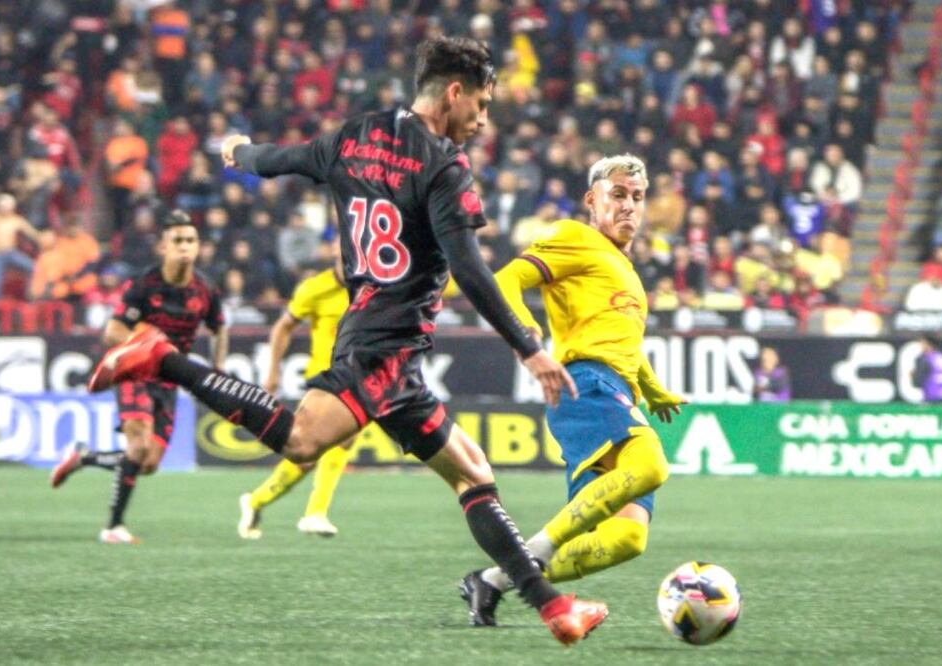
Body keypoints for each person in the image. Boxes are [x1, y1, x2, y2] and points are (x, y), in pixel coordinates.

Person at [83, 36, 606, 644]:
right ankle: (165, 359)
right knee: (303, 442)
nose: (484, 119)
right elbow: (469, 270)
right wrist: (529, 346)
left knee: (472, 472)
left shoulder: (354, 136)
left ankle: (551, 608)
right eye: (483, 104)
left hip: (389, 348)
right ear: (454, 92)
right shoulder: (444, 166)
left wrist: (238, 151)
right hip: (385, 339)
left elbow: (281, 157)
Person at [459, 154, 682, 627]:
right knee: (652, 465)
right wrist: (525, 336)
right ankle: (534, 557)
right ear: (591, 199)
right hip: (587, 384)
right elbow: (506, 280)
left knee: (627, 539)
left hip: (615, 386)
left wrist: (654, 388)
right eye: (617, 195)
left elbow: (620, 340)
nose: (628, 207)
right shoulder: (574, 236)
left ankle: (495, 579)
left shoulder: (622, 268)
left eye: (637, 198)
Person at [51, 211, 226, 545]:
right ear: (163, 246)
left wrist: (217, 370)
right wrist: (144, 344)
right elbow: (112, 331)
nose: (184, 247)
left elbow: (220, 328)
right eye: (177, 240)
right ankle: (114, 527)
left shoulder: (205, 289)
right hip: (137, 373)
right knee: (138, 445)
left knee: (148, 463)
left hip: (171, 380)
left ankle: (85, 457)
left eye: (190, 240)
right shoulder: (144, 284)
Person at [237, 256, 354, 540]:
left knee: (311, 455)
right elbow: (282, 327)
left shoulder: (369, 287)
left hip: (357, 377)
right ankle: (315, 512)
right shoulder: (315, 289)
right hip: (324, 378)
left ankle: (256, 501)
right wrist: (273, 372)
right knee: (331, 444)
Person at [910, 335, 942, 403]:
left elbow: (917, 382)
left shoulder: (925, 359)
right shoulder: (941, 357)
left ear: (928, 344)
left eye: (922, 343)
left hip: (931, 397)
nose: (920, 346)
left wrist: (913, 376)